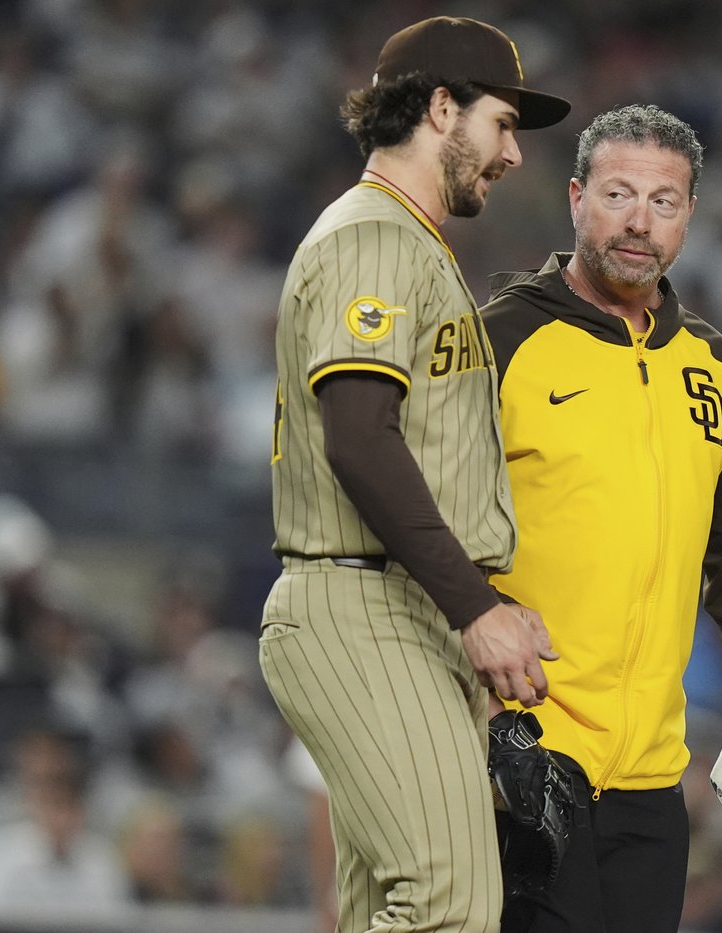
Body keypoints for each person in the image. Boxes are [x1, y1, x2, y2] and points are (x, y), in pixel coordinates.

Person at [481, 104, 722, 933]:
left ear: (690, 217)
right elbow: (418, 524)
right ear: (575, 199)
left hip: (650, 782)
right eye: (617, 194)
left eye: (664, 201)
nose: (639, 222)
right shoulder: (498, 342)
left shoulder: (712, 367)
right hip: (522, 761)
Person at [255, 16, 570, 933]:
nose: (512, 152)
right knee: (451, 907)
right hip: (365, 606)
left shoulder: (407, 242)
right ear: (441, 108)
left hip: (399, 607)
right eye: (503, 123)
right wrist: (477, 606)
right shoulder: (376, 237)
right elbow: (359, 438)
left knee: (381, 913)